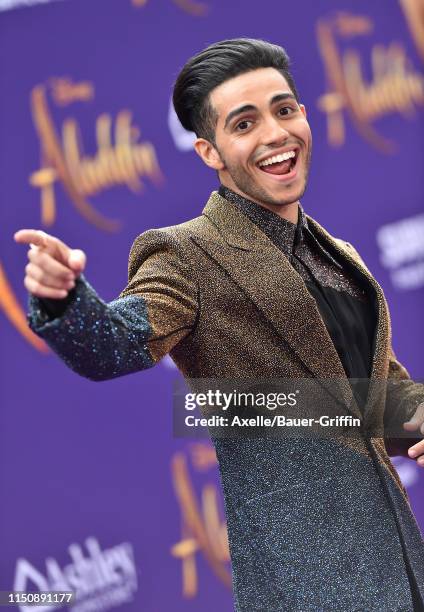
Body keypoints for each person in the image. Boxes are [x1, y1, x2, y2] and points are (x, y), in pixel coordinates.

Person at [15, 38, 424, 611]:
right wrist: (64, 302)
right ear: (211, 152)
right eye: (245, 123)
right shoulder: (187, 255)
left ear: (305, 116)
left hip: (399, 562)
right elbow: (117, 343)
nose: (276, 134)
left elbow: (371, 396)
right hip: (305, 581)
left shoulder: (336, 253)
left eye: (284, 111)